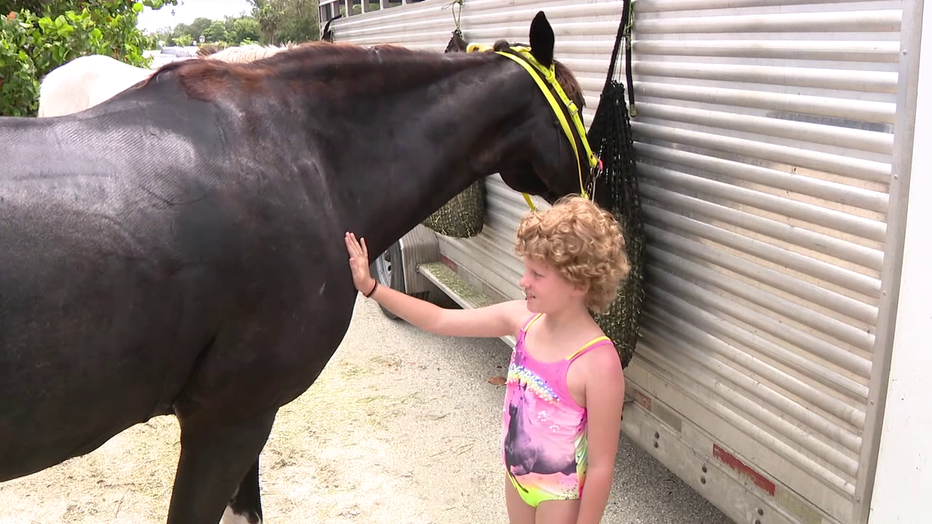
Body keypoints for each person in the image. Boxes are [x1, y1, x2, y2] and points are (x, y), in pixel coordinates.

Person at [344, 195, 629, 524]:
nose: (524, 281)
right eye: (526, 270)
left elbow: (601, 465)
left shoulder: (598, 362)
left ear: (578, 283)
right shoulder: (523, 319)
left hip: (559, 495)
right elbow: (440, 320)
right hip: (516, 479)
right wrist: (371, 287)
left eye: (537, 274)